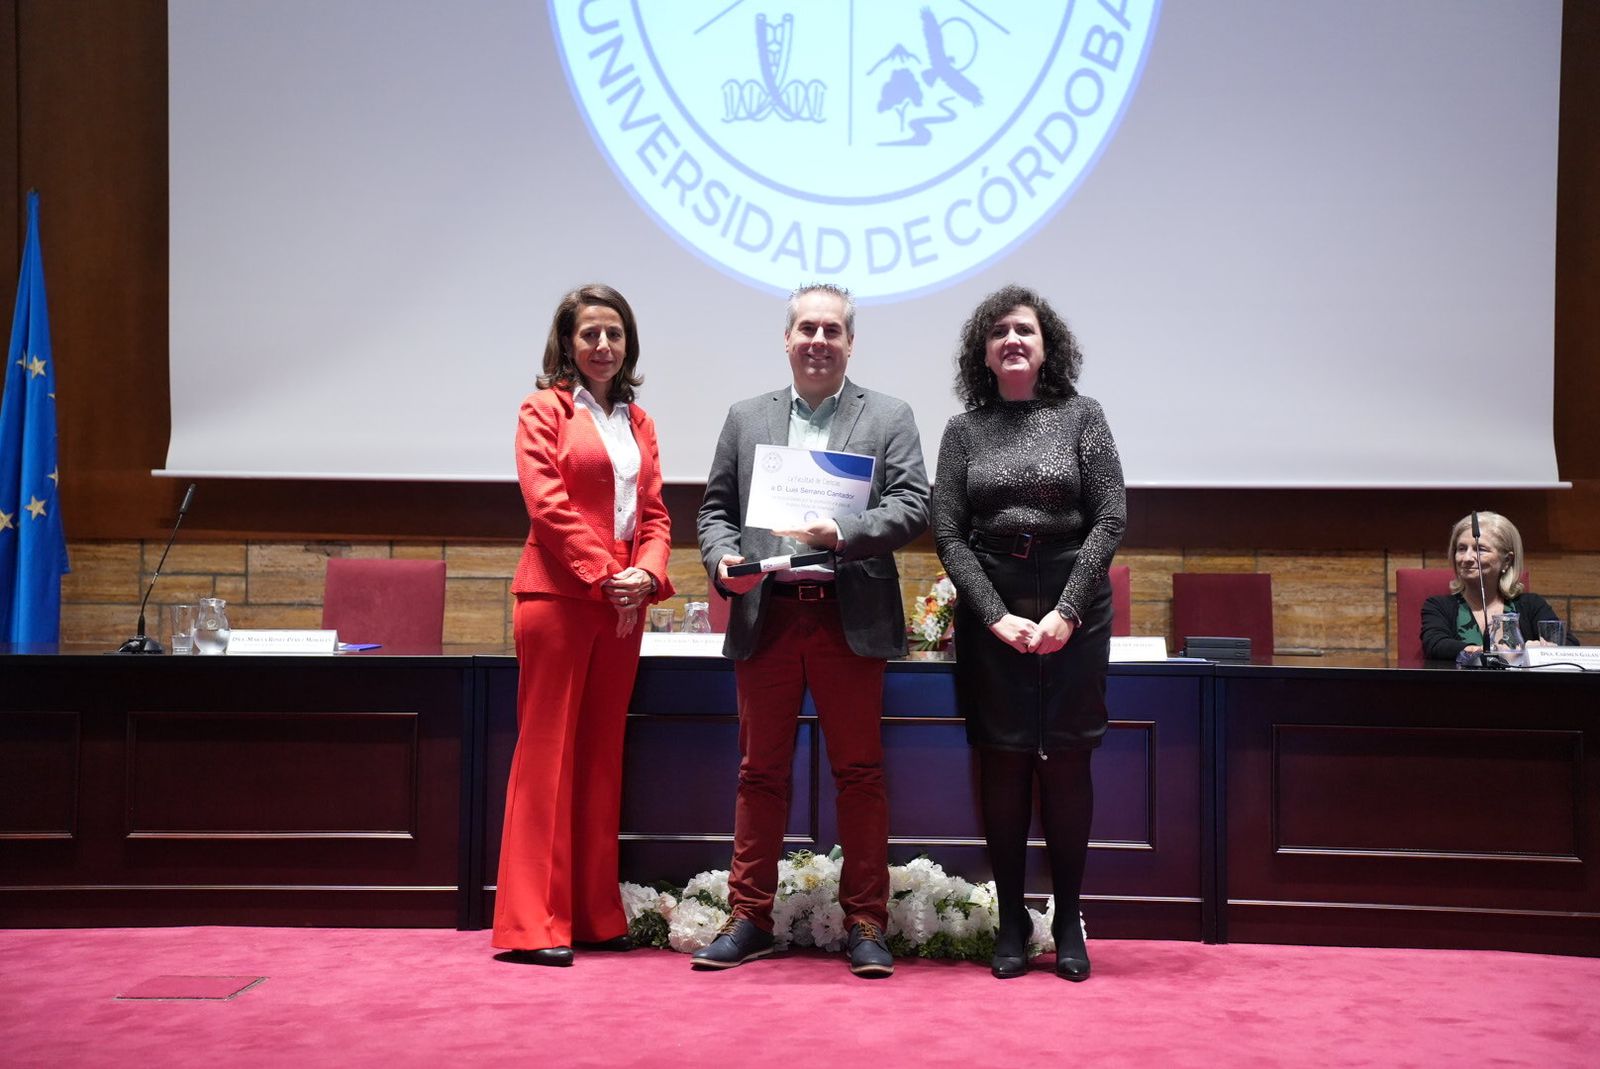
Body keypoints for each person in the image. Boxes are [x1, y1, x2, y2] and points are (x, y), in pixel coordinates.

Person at [693, 283, 930, 978]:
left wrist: (845, 531)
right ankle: (750, 917)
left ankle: (865, 923)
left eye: (832, 329)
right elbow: (713, 511)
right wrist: (722, 560)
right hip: (768, 615)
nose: (819, 340)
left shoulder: (889, 415)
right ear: (787, 338)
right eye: (807, 328)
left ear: (851, 342)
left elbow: (914, 504)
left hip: (846, 615)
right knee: (758, 772)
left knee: (859, 774)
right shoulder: (746, 417)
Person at [931, 284, 1126, 982]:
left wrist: (1067, 610)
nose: (1013, 339)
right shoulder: (964, 429)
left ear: (1048, 347)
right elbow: (948, 533)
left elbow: (1110, 517)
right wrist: (993, 613)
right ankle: (1012, 919)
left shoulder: (1083, 415)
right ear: (983, 351)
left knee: (1067, 758)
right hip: (994, 602)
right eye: (1000, 331)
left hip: (1074, 601)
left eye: (1026, 330)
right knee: (1003, 760)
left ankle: (1068, 916)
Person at [492, 284, 674, 967]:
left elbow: (654, 516)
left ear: (629, 344)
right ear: (567, 343)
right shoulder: (544, 409)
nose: (603, 345)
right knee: (549, 759)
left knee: (601, 759)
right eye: (590, 334)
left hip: (623, 609)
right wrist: (606, 571)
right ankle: (529, 923)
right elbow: (546, 504)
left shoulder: (639, 420)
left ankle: (595, 914)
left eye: (614, 334)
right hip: (560, 600)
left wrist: (647, 575)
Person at [1420, 512, 1576, 661]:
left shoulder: (1531, 605)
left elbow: (1569, 644)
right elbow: (1435, 644)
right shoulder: (1438, 606)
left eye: (1480, 549)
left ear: (1507, 560)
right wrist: (1493, 653)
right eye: (1461, 549)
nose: (1466, 558)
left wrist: (1541, 649)